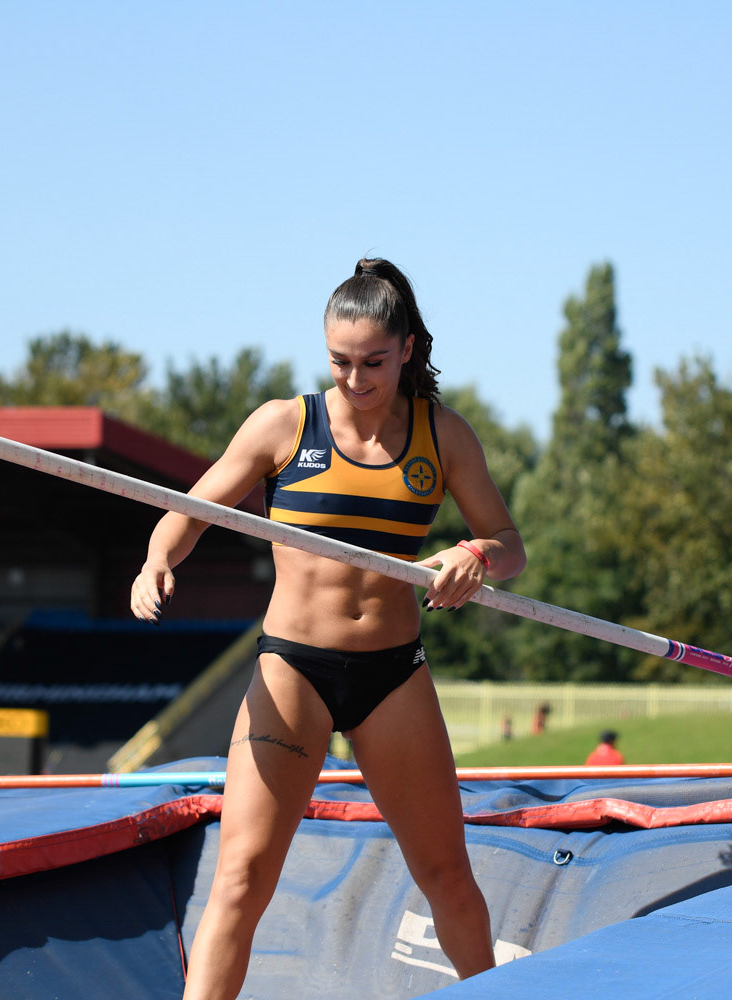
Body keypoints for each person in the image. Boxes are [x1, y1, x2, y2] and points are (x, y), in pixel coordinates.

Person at [131, 258, 526, 1000]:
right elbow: (190, 509)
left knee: (446, 874)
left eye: (373, 362)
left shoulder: (442, 436)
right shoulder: (287, 424)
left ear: (407, 349)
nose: (354, 378)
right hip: (294, 671)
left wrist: (476, 554)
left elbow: (511, 545)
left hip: (392, 674)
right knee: (241, 878)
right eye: (339, 361)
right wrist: (156, 560)